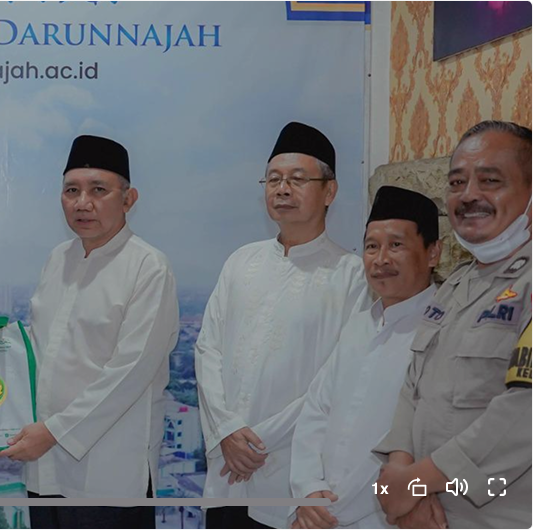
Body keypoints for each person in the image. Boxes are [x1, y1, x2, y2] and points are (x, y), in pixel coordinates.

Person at [0, 134, 179, 529]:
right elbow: (36, 347)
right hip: (45, 461)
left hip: (108, 470)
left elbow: (131, 371)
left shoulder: (148, 266)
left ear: (128, 199)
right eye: (71, 191)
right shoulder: (57, 259)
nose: (82, 203)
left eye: (98, 190)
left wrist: (55, 432)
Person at [195, 122, 369, 529]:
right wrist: (227, 431)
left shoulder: (352, 275)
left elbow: (337, 380)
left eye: (297, 179)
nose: (282, 189)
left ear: (329, 191)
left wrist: (258, 443)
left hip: (291, 474)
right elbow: (207, 349)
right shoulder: (241, 261)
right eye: (273, 180)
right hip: (226, 468)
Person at [373, 120, 532, 529]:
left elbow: (524, 413)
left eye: (490, 180)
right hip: (430, 511)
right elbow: (414, 388)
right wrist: (403, 477)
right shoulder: (457, 284)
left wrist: (418, 482)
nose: (469, 195)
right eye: (457, 182)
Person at [288, 186, 441, 529]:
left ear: (433, 253)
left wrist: (335, 510)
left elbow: (417, 440)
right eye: (372, 246)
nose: (381, 259)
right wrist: (309, 489)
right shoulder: (358, 326)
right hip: (320, 513)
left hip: (388, 516)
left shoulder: (444, 330)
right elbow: (317, 410)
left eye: (396, 245)